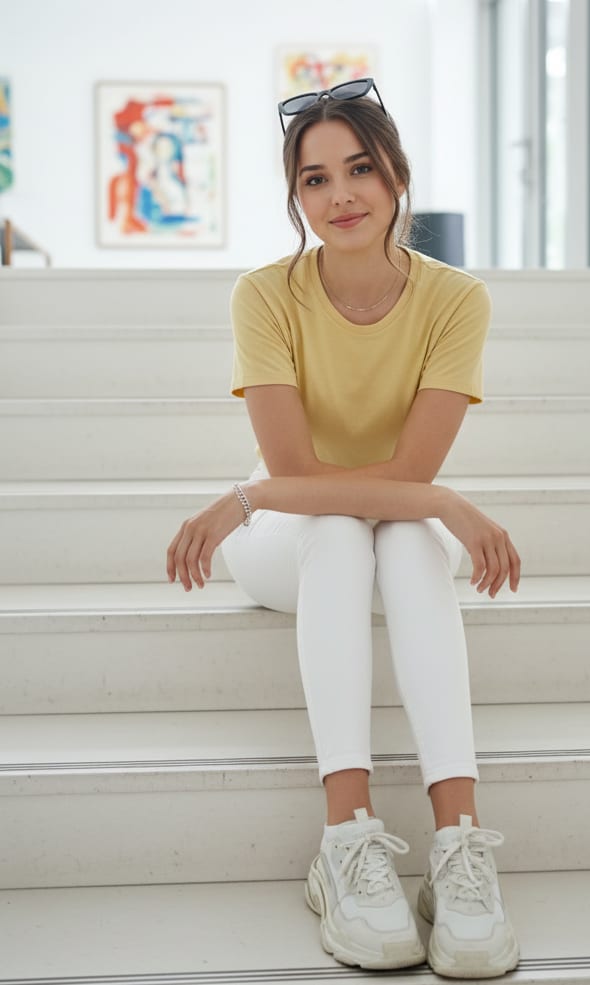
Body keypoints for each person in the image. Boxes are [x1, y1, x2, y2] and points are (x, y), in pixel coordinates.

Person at [166, 78, 522, 979]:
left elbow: (406, 481)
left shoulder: (455, 299)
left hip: (384, 518)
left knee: (396, 536)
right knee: (343, 532)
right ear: (297, 197)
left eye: (359, 169)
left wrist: (428, 501)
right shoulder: (266, 294)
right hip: (283, 532)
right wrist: (439, 501)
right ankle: (344, 838)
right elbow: (293, 478)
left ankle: (459, 847)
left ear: (397, 173)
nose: (341, 196)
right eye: (315, 180)